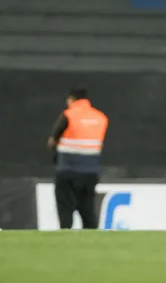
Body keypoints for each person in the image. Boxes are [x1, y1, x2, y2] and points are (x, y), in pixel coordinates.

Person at [47, 87, 109, 229]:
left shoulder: (68, 115)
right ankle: (92, 241)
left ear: (71, 99)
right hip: (90, 171)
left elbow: (53, 140)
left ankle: (66, 238)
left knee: (65, 209)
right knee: (88, 210)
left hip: (68, 170)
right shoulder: (100, 118)